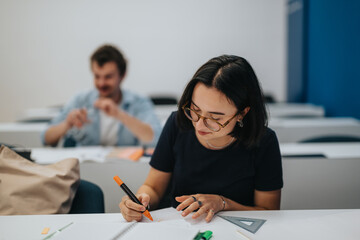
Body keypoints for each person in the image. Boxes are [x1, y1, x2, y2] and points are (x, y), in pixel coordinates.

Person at [119, 55, 283, 222]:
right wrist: (140, 200)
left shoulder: (264, 142)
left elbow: (268, 211)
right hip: (180, 229)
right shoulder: (178, 124)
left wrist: (222, 203)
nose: (199, 126)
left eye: (215, 118)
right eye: (195, 110)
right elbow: (153, 187)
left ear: (242, 113)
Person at [41, 45, 161, 147]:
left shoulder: (138, 102)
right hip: (87, 169)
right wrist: (67, 124)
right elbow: (45, 138)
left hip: (126, 169)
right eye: (97, 76)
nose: (101, 83)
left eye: (108, 77)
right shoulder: (81, 100)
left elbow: (156, 139)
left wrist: (119, 114)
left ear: (122, 75)